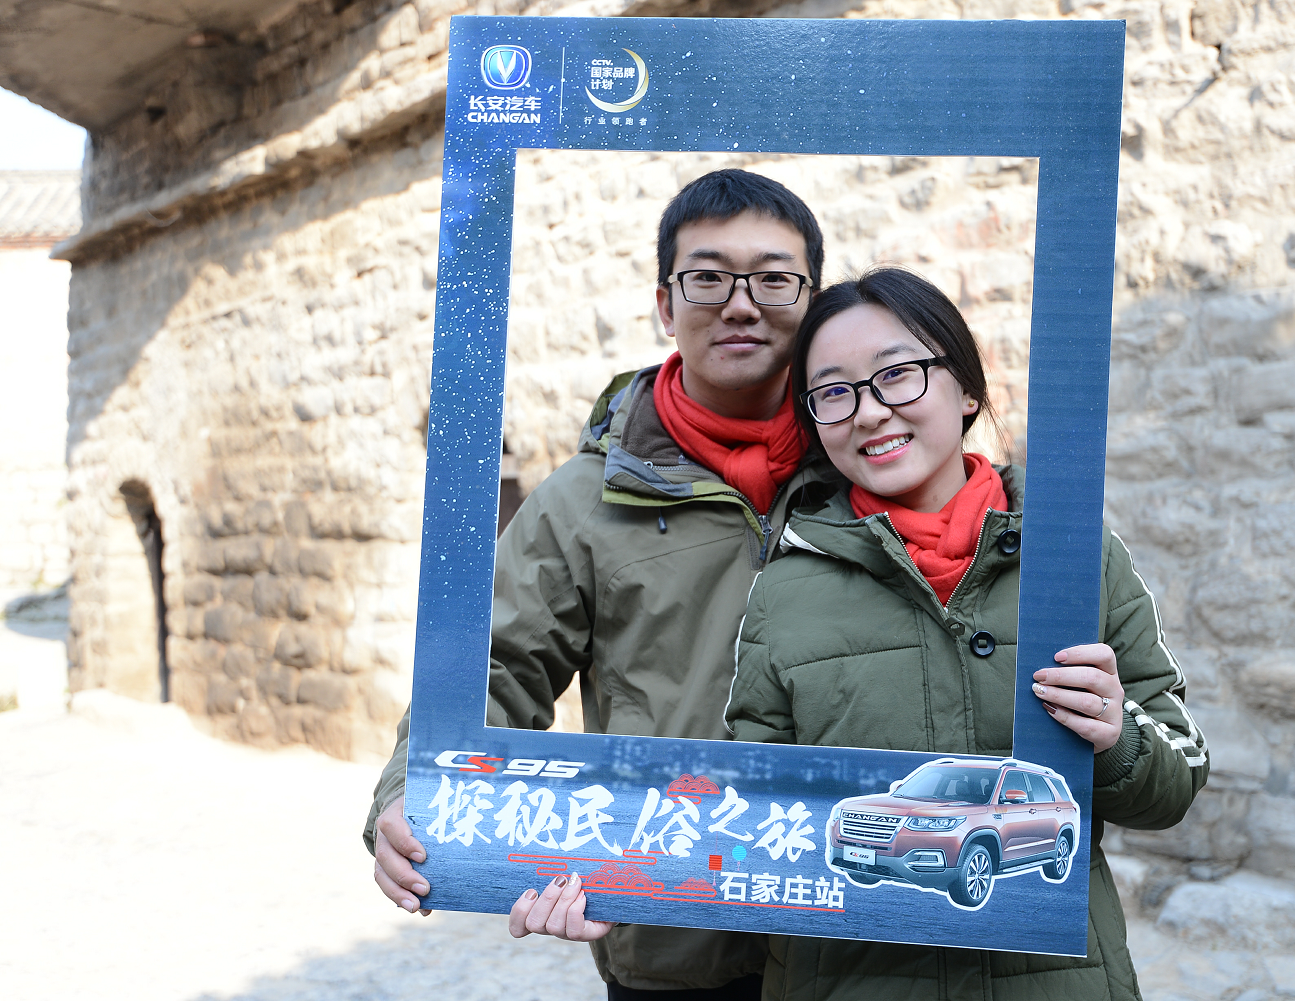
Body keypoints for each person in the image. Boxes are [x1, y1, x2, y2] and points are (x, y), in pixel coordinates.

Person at [363, 169, 840, 999]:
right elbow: (496, 666)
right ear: (665, 303)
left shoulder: (870, 469)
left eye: (773, 279)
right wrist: (415, 790)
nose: (741, 304)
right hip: (675, 938)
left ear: (813, 300)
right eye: (708, 277)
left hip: (861, 931)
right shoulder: (584, 501)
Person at [724, 267, 1209, 1000]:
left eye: (898, 374)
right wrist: (608, 880)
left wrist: (1118, 738)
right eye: (834, 392)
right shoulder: (785, 589)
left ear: (967, 389)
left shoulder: (1077, 557)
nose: (869, 412)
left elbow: (1175, 785)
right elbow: (748, 811)